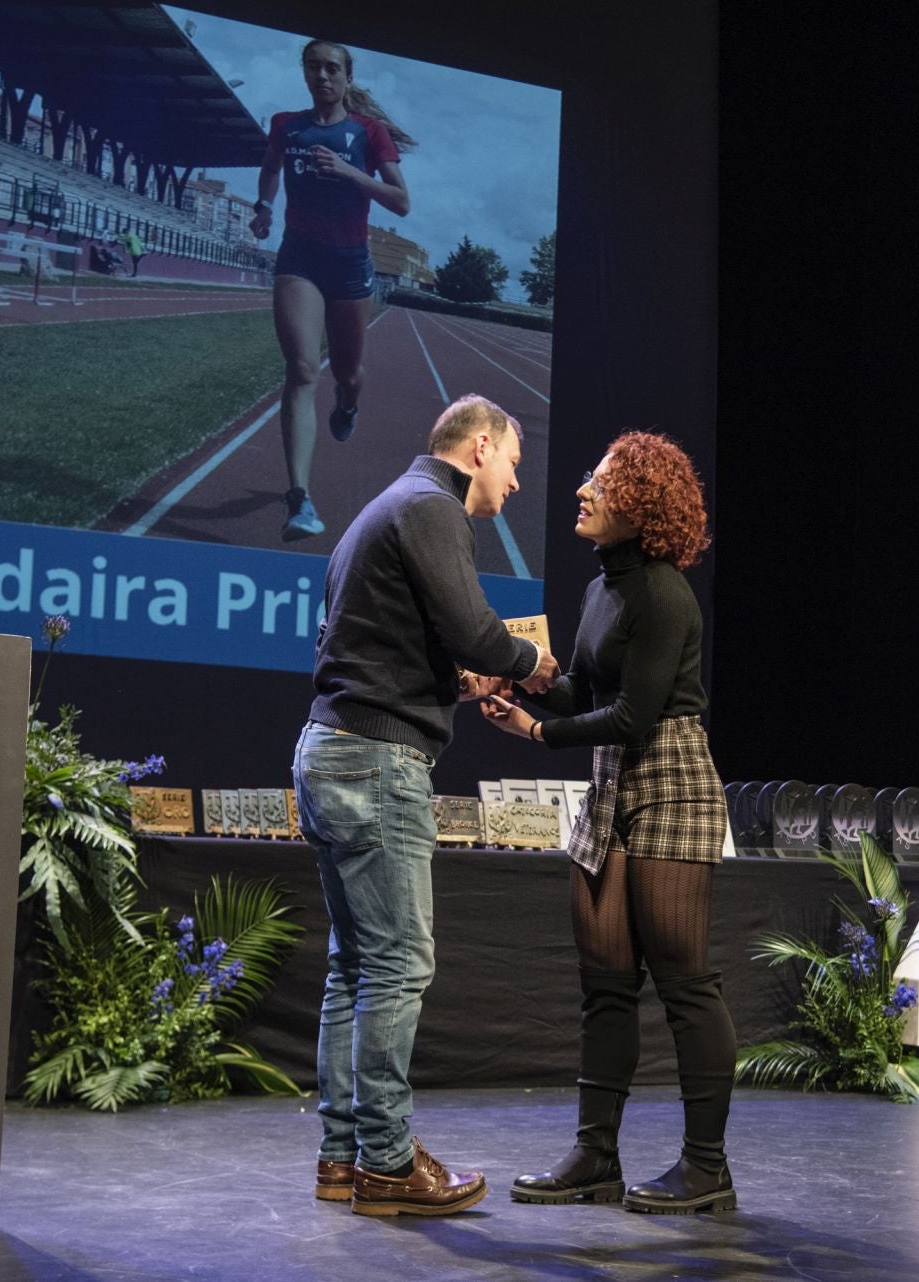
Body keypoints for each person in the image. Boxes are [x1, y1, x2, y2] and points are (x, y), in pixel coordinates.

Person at [293, 393, 559, 1217]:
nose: (515, 483)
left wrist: (456, 681)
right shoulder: (432, 508)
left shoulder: (386, 508)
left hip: (332, 749)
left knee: (355, 966)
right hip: (375, 762)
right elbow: (478, 630)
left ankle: (344, 1159)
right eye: (514, 462)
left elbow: (383, 644)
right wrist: (531, 664)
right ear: (479, 448)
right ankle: (387, 1161)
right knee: (399, 966)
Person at [480, 431, 738, 1215]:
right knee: (605, 986)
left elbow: (631, 717)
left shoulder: (663, 594)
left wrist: (532, 735)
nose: (583, 493)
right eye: (589, 480)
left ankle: (706, 1168)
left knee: (684, 983)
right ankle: (595, 1158)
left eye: (601, 484)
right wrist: (522, 693)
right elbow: (586, 698)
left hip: (670, 780)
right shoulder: (601, 590)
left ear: (642, 507)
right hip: (610, 784)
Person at [249, 38, 414, 542]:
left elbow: (402, 202)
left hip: (349, 264)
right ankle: (299, 499)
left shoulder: (369, 133)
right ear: (305, 74)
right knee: (301, 368)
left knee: (348, 373)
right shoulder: (286, 126)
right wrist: (263, 206)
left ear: (346, 77)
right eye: (314, 68)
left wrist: (347, 171)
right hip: (298, 257)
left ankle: (347, 405)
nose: (323, 77)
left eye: (332, 69)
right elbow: (272, 168)